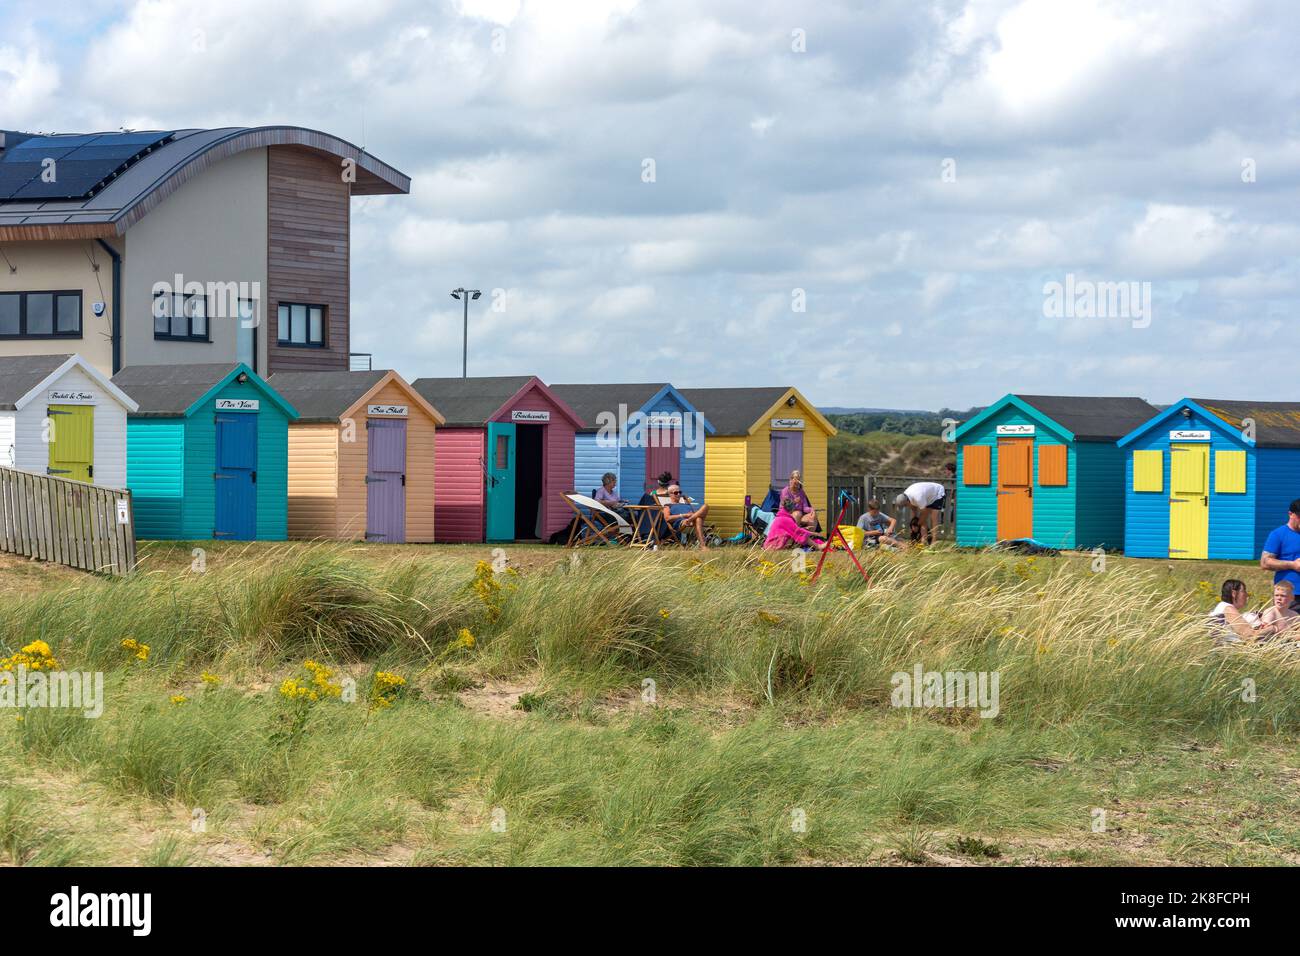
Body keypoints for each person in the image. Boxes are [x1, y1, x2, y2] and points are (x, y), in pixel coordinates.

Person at [1260, 499, 1300, 609]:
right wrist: (1292, 565)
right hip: (1290, 595)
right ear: (1290, 514)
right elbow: (1265, 562)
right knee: (1289, 626)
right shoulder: (1278, 534)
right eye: (1299, 516)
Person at [1208, 579, 1266, 644]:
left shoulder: (1221, 607)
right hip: (1231, 650)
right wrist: (1273, 628)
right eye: (1243, 591)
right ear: (1234, 593)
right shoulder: (1228, 609)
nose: (1247, 595)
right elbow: (1249, 635)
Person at [895, 480, 946, 545]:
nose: (906, 507)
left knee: (933, 517)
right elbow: (914, 510)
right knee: (921, 521)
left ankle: (934, 542)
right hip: (927, 496)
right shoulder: (906, 496)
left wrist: (917, 525)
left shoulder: (918, 497)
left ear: (907, 501)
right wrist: (913, 524)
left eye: (905, 505)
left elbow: (924, 513)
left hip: (937, 493)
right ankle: (923, 542)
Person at [661, 484, 709, 550]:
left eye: (680, 492)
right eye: (676, 493)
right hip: (682, 523)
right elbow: (667, 518)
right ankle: (703, 546)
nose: (678, 494)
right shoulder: (667, 506)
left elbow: (694, 514)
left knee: (705, 506)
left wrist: (691, 516)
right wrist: (684, 515)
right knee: (698, 519)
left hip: (690, 521)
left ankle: (690, 519)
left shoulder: (686, 504)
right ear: (670, 494)